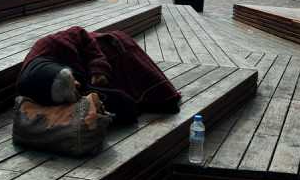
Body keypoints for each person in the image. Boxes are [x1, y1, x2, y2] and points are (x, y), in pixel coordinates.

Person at [17, 26, 181, 125]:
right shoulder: (39, 84)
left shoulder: (49, 45)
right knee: (125, 100)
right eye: (73, 87)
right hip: (89, 76)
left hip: (100, 49)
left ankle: (160, 95)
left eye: (73, 82)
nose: (77, 85)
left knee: (125, 51)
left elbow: (80, 34)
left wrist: (98, 68)